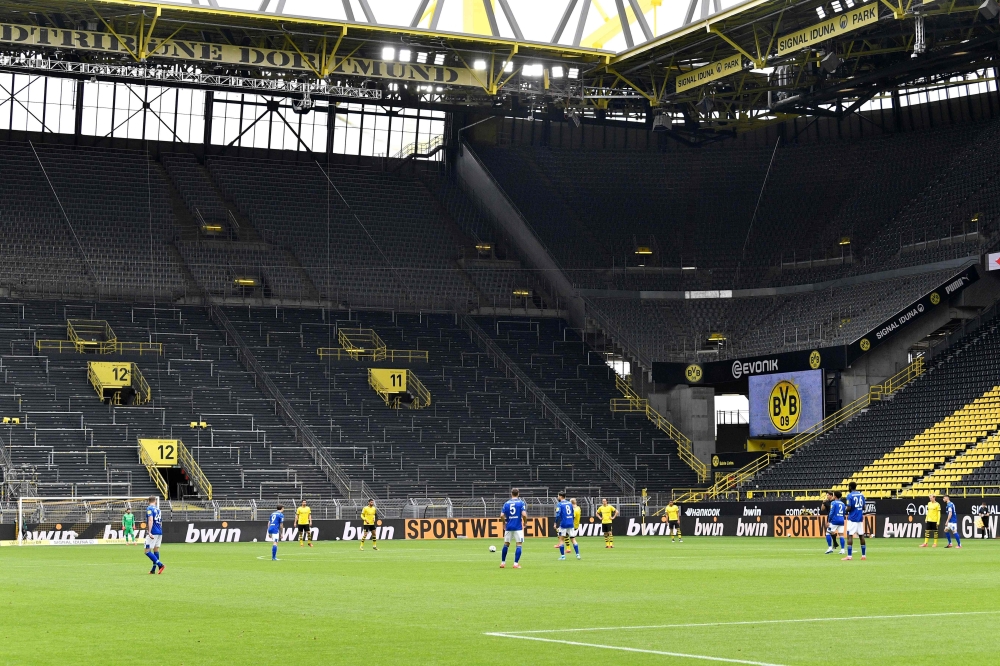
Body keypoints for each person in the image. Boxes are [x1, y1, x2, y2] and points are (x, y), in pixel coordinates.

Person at [500, 488, 527, 569]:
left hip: (509, 527)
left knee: (506, 544)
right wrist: (525, 522)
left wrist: (504, 523)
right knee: (519, 544)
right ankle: (515, 564)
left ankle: (503, 563)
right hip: (518, 527)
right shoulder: (521, 503)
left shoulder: (506, 503)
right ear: (518, 494)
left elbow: (501, 515)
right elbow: (524, 515)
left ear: (511, 494)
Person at [843, 482, 866, 561]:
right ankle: (863, 555)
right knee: (861, 536)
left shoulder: (849, 496)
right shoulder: (861, 495)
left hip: (852, 518)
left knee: (850, 535)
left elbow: (849, 508)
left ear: (849, 487)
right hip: (860, 518)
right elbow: (864, 507)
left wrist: (845, 509)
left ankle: (849, 556)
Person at [144, 496, 164, 574]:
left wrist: (149, 532)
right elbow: (161, 522)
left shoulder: (149, 509)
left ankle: (160, 564)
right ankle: (154, 569)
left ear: (148, 501)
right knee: (156, 550)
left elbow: (150, 519)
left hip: (153, 532)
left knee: (147, 551)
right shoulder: (158, 510)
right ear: (155, 501)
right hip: (159, 532)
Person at [555, 492, 575, 560]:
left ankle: (563, 556)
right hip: (571, 522)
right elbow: (573, 513)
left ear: (560, 496)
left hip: (563, 523)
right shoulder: (570, 503)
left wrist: (555, 522)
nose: (557, 497)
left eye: (558, 496)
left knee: (561, 539)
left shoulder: (559, 504)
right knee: (572, 538)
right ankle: (577, 554)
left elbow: (558, 515)